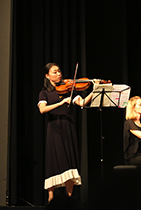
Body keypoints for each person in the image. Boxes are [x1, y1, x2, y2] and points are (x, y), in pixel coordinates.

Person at [38, 62, 99, 202]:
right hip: (54, 128)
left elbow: (83, 103)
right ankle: (51, 197)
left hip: (68, 126)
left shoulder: (68, 89)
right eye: (54, 72)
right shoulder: (44, 92)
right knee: (54, 159)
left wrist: (94, 90)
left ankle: (69, 197)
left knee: (69, 160)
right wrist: (60, 103)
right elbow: (42, 109)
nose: (58, 74)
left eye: (59, 71)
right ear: (47, 76)